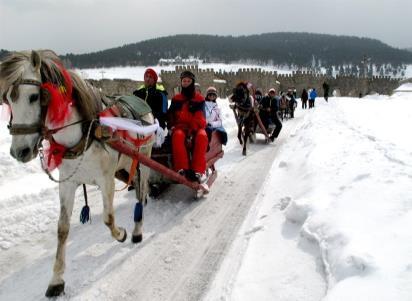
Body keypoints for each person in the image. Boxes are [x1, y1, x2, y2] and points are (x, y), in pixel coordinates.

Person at [167, 70, 208, 183]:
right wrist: (171, 125)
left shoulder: (199, 99)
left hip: (196, 127)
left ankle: (198, 170)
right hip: (180, 127)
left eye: (188, 81)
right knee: (178, 136)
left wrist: (191, 131)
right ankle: (182, 168)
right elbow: (170, 115)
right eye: (184, 81)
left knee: (202, 136)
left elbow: (200, 117)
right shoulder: (176, 99)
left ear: (192, 82)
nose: (185, 83)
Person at [133, 68, 168, 147]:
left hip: (155, 123)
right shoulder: (138, 93)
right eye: (146, 76)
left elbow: (163, 112)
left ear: (154, 80)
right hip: (139, 123)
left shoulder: (160, 94)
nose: (148, 79)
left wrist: (155, 123)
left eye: (150, 77)